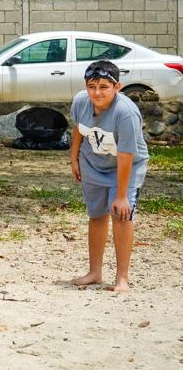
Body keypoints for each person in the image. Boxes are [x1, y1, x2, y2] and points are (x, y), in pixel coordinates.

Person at [70, 61, 149, 293]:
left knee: (121, 215)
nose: (97, 92)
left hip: (124, 167)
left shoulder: (125, 112)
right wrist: (74, 159)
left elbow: (126, 155)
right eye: (91, 86)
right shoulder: (81, 101)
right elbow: (78, 128)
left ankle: (121, 277)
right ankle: (95, 272)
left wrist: (122, 195)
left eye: (104, 87)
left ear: (117, 87)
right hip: (92, 162)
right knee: (96, 215)